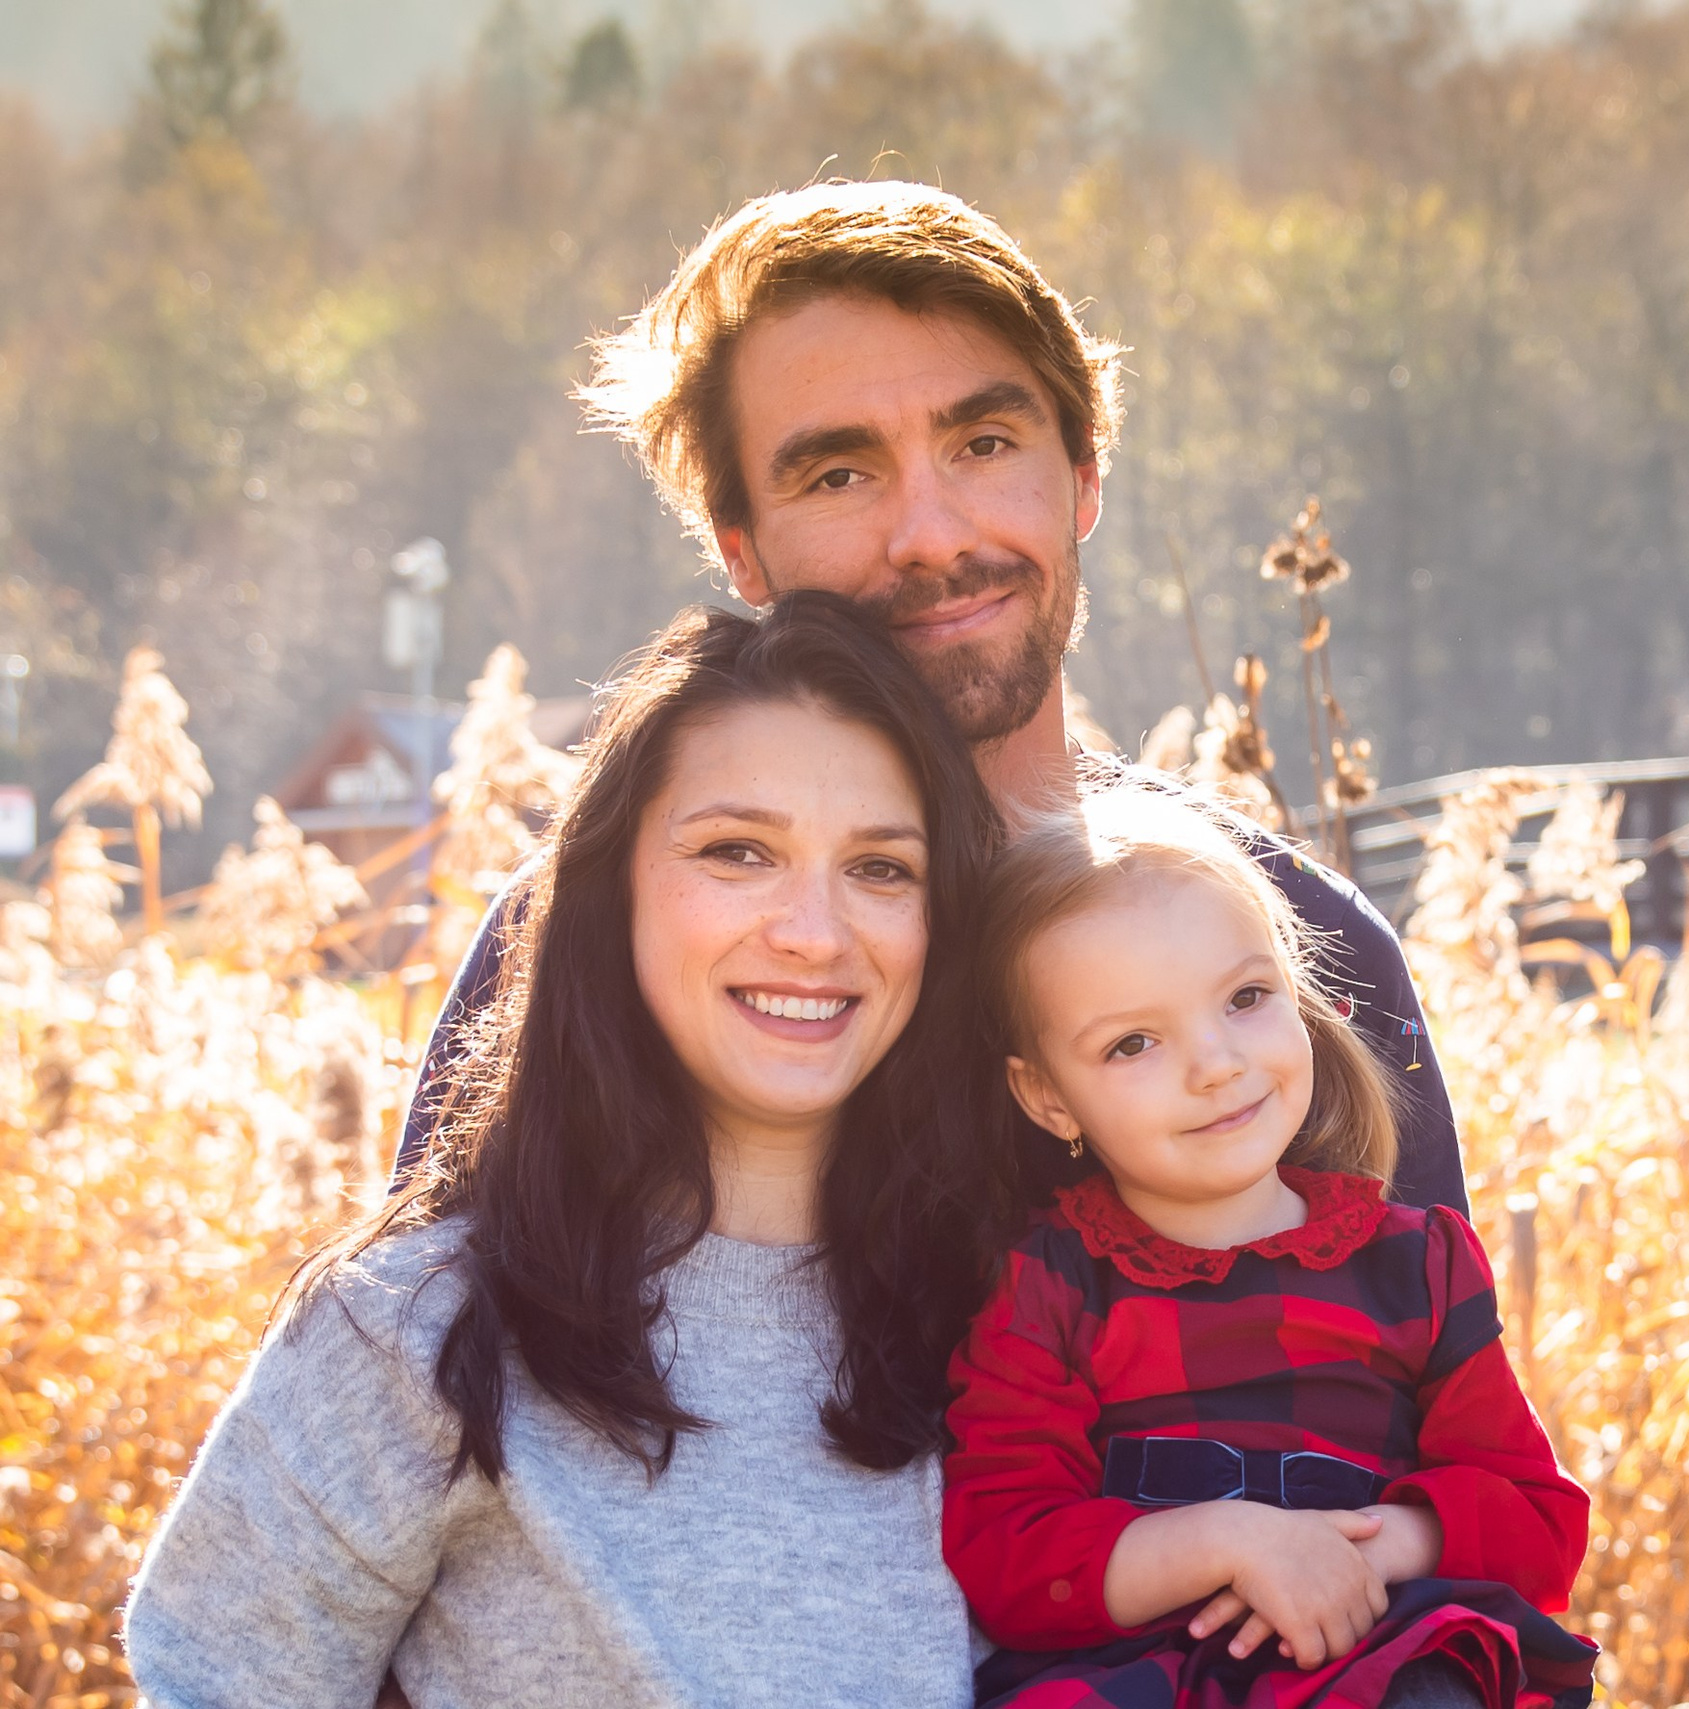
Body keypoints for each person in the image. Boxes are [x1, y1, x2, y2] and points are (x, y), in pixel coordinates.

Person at [401, 179, 1466, 1217]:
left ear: (1084, 475)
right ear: (743, 553)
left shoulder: (1291, 952)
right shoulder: (618, 940)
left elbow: (1424, 1372)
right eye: (838, 476)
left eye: (984, 445)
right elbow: (431, 1344)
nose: (933, 535)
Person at [125, 595, 1009, 1707]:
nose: (815, 931)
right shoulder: (416, 1325)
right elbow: (206, 1682)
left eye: (881, 867)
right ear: (613, 891)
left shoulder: (1011, 1319)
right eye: (738, 851)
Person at [942, 787, 1597, 1709]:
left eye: (1247, 997)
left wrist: (1362, 1546)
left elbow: (1538, 1520)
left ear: (1298, 994)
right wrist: (1231, 1542)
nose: (1215, 1063)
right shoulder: (1048, 1285)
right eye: (1134, 1042)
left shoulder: (1415, 1266)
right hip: (1141, 1675)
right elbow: (1005, 1548)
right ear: (1047, 1096)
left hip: (1372, 1650)